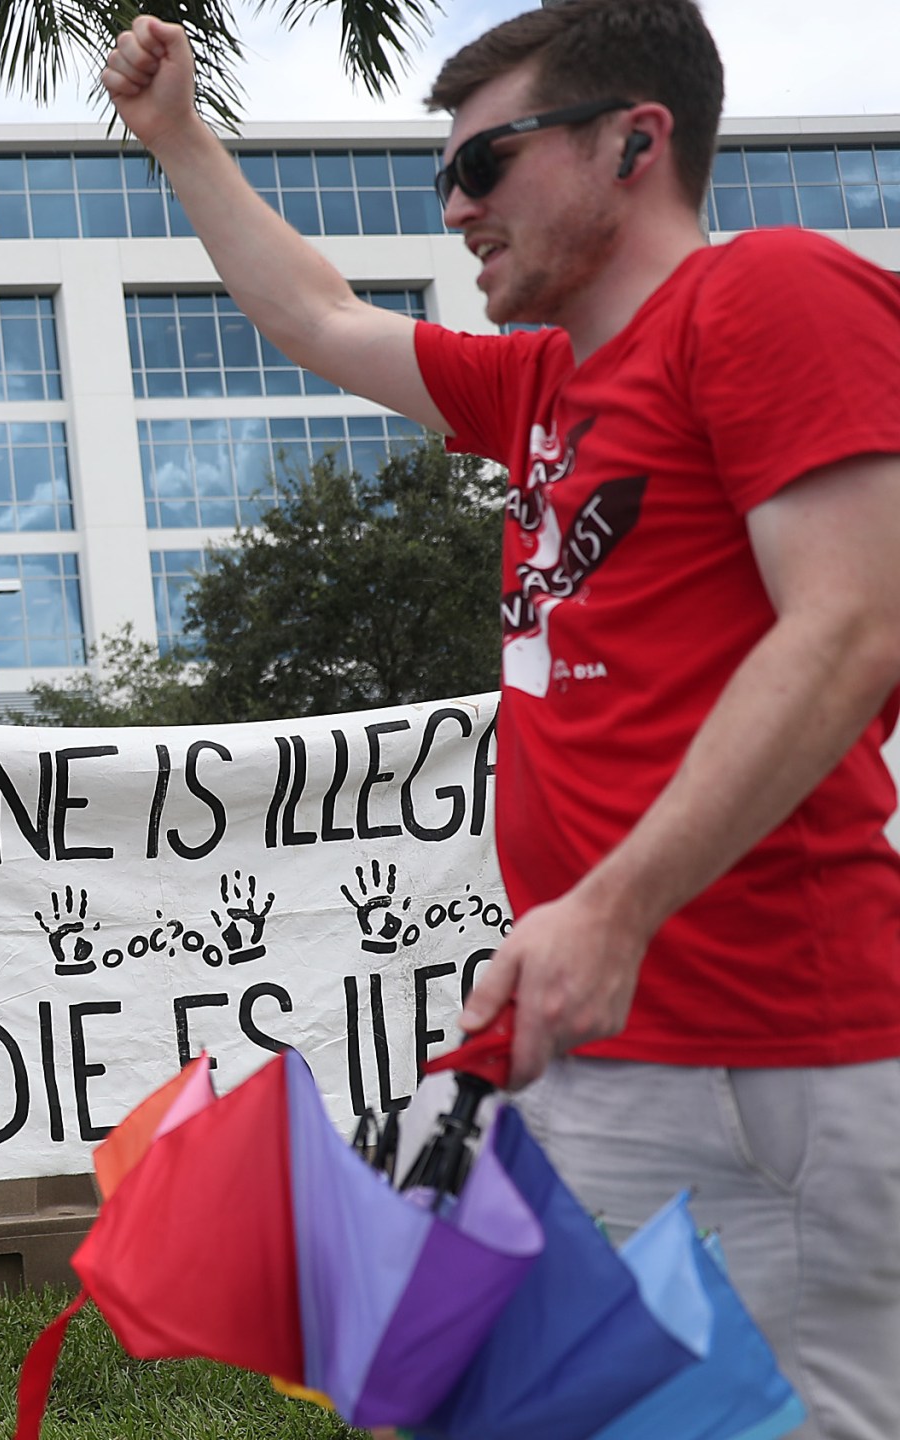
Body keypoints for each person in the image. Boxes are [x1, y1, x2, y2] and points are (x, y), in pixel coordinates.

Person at [99, 4, 900, 1435]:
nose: (457, 207)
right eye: (444, 178)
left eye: (486, 164)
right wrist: (178, 136)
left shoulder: (766, 293)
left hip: (771, 1053)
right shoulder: (541, 387)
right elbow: (317, 315)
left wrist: (615, 908)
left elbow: (853, 624)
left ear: (634, 143)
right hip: (596, 1037)